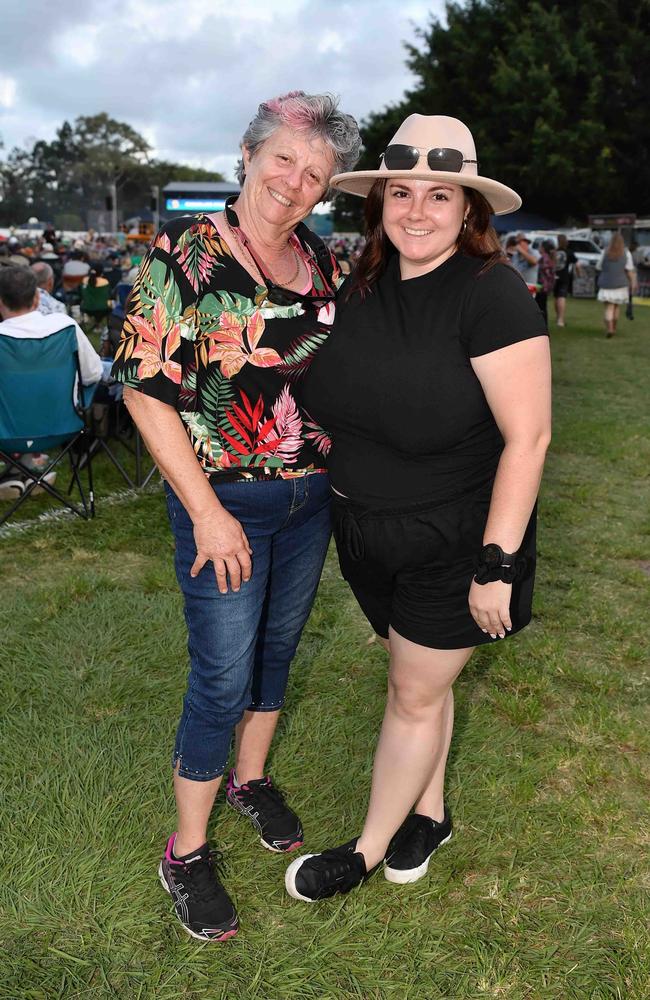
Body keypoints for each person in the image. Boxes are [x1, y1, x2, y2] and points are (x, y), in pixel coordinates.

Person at [110, 91, 361, 941]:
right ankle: (185, 851)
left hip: (310, 497)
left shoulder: (322, 262)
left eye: (314, 173)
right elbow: (143, 390)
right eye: (283, 160)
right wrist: (208, 514)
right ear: (248, 155)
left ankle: (250, 781)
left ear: (326, 191)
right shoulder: (185, 254)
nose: (294, 183)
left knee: (277, 650)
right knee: (222, 672)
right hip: (223, 503)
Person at [286, 114, 551, 903]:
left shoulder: (491, 296)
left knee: (411, 694)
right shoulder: (360, 288)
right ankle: (428, 812)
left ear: (470, 211)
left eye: (440, 195)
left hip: (457, 537)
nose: (417, 210)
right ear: (379, 204)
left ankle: (366, 850)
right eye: (400, 192)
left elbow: (528, 439)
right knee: (420, 682)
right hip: (363, 531)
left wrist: (496, 566)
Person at [0, 266, 102, 499]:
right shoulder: (64, 327)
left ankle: (20, 470)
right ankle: (26, 469)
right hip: (62, 426)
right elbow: (93, 374)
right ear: (37, 297)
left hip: (5, 433)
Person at [596, 232, 636, 338]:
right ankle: (613, 327)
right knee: (616, 307)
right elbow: (629, 270)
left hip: (606, 284)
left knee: (609, 307)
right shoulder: (626, 253)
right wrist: (633, 283)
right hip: (621, 284)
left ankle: (609, 328)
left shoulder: (604, 252)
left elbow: (598, 267)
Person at [553, 234, 583, 327]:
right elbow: (577, 265)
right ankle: (561, 320)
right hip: (564, 277)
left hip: (554, 277)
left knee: (556, 297)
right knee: (562, 297)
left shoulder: (554, 252)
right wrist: (579, 274)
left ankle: (558, 316)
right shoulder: (569, 252)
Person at [535, 238, 556, 324]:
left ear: (543, 248)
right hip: (547, 286)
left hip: (542, 286)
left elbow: (543, 271)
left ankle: (542, 324)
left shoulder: (544, 258)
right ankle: (544, 324)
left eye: (540, 247)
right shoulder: (550, 258)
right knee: (543, 306)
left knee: (540, 306)